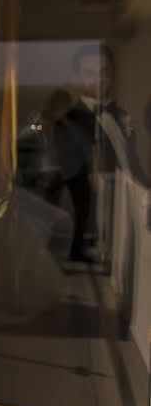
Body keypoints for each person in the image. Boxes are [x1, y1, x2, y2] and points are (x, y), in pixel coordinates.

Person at [55, 44, 146, 263]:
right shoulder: (69, 121)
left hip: (128, 212)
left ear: (113, 73)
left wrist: (145, 189)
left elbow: (131, 162)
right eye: (90, 73)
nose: (99, 79)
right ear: (77, 76)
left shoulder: (121, 114)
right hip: (94, 225)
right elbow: (73, 181)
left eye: (105, 72)